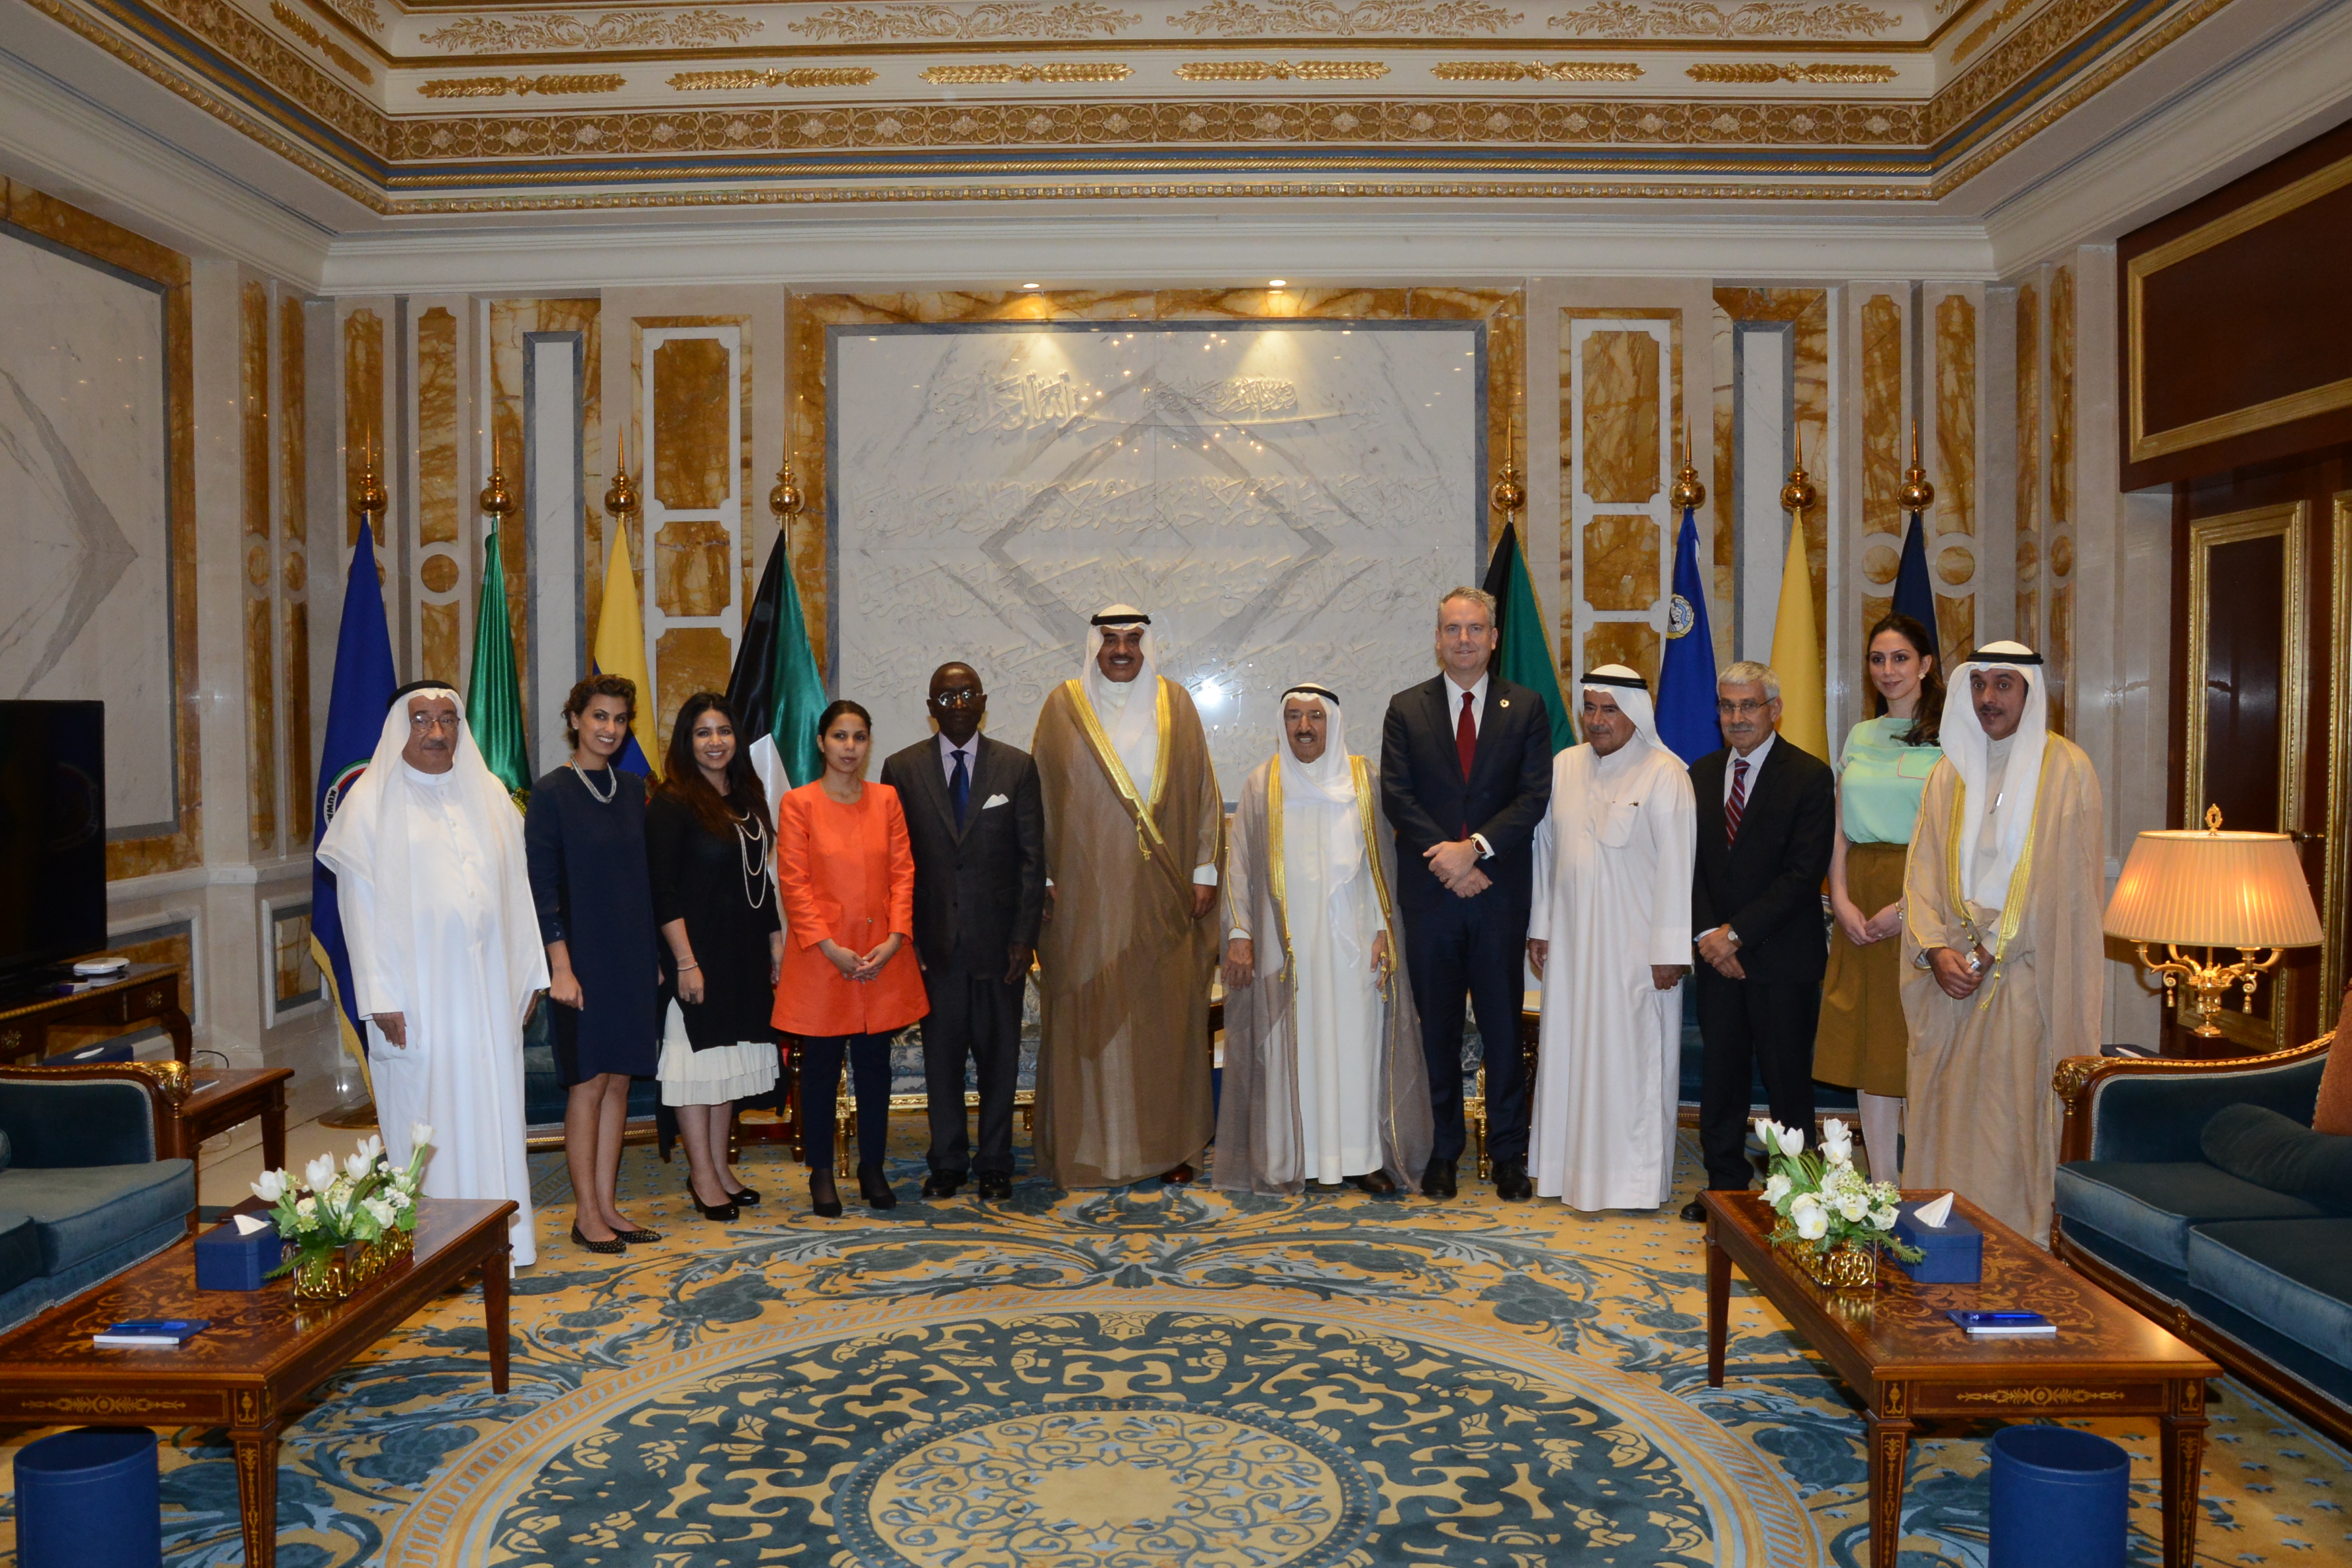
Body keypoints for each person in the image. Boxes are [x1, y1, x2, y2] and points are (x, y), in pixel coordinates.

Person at [316, 681, 546, 1267]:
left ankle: (503, 1240)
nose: (437, 732)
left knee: (494, 1110)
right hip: (416, 997)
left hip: (489, 993)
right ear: (401, 727)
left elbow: (518, 891)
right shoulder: (370, 804)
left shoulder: (489, 794)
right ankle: (434, 1250)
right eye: (422, 720)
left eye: (448, 719)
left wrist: (529, 973)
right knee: (428, 1117)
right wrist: (379, 995)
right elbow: (357, 911)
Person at [1901, 642, 2103, 1243]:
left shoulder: (2066, 771)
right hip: (1949, 980)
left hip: (2022, 979)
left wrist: (1992, 947)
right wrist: (1934, 950)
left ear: (2030, 693)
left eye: (2003, 685)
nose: (1988, 698)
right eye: (1979, 685)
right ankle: (1938, 1240)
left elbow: (2063, 882)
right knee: (1945, 1116)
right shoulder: (1950, 771)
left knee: (2006, 1120)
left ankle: (2013, 1244)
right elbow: (1921, 871)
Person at [1030, 606, 1224, 1188]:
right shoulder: (1063, 707)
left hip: (1164, 893)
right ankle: (1092, 1149)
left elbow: (1203, 789)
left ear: (1147, 646)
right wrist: (1042, 877)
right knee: (1091, 1016)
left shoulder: (1176, 704)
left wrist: (1206, 869)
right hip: (1084, 898)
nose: (1120, 650)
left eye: (1132, 640)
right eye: (1110, 640)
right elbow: (1040, 796)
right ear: (1094, 646)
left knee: (1164, 1020)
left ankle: (1170, 1148)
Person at [1218, 685, 1433, 1197]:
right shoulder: (1263, 783)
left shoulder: (1362, 779)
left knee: (1357, 1047)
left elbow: (1384, 862)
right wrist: (1240, 933)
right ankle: (1294, 1156)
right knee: (1291, 1049)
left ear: (1332, 723)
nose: (1304, 727)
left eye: (1315, 716)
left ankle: (1360, 1158)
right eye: (1293, 716)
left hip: (1353, 943)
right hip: (1286, 945)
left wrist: (1383, 929)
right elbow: (1239, 865)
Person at [1379, 587, 1554, 1201]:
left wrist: (1474, 849)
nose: (1464, 640)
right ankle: (1442, 1152)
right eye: (1452, 629)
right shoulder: (1406, 708)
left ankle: (1508, 1154)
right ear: (1437, 638)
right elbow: (1397, 795)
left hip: (1498, 895)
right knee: (1438, 1029)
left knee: (1504, 1028)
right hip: (1431, 898)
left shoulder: (1526, 707)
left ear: (1494, 638)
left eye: (1475, 629)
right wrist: (1450, 861)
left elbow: (1533, 796)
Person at [1526, 668, 1695, 1211]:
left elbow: (1679, 867)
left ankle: (1631, 1183)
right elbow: (1546, 852)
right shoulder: (1565, 766)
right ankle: (1565, 1173)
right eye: (1591, 708)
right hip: (1571, 948)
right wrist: (1541, 926)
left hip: (1635, 953)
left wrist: (1670, 951)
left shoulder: (1665, 774)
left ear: (1634, 713)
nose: (1597, 720)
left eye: (1610, 709)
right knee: (1570, 1057)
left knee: (1630, 1064)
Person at [879, 661, 1047, 1203]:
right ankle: (948, 1162)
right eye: (946, 697)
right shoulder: (901, 769)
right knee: (942, 1061)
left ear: (983, 702)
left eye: (967, 693)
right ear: (931, 709)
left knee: (1000, 1061)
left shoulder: (1016, 767)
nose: (958, 704)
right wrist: (905, 937)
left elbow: (1032, 860)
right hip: (933, 947)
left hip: (1000, 946)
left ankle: (995, 1163)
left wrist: (1024, 938)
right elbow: (895, 863)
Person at [1681, 661, 1836, 1222]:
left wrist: (1736, 935)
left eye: (1748, 705)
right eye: (1727, 706)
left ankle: (1797, 1195)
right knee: (1721, 1078)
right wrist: (1710, 936)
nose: (1737, 717)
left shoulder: (1810, 776)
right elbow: (1690, 866)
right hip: (1716, 959)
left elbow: (1802, 875)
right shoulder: (1700, 774)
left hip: (1781, 959)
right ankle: (1724, 1189)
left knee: (1787, 1081)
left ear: (1775, 710)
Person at [525, 675, 663, 1254]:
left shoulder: (632, 789)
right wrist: (560, 966)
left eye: (620, 719)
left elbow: (645, 881)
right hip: (579, 963)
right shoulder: (551, 793)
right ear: (575, 720)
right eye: (599, 717)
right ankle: (585, 1215)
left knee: (619, 1082)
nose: (610, 728)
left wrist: (654, 957)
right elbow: (542, 889)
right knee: (588, 1084)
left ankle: (607, 1205)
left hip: (631, 958)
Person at [773, 699, 927, 1217]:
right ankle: (821, 1171)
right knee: (820, 1069)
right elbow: (794, 884)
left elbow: (904, 872)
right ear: (821, 742)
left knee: (875, 1067)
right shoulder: (799, 803)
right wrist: (829, 947)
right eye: (840, 736)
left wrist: (897, 936)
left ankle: (872, 1167)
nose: (850, 747)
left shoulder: (886, 799)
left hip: (881, 957)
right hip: (822, 959)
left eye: (859, 737)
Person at [1816, 615, 1944, 1181]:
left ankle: (1924, 1179)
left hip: (1922, 889)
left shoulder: (1952, 736)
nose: (1888, 670)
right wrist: (1840, 899)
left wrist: (1911, 906)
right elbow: (1839, 827)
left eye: (1900, 658)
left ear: (1926, 665)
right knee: (1869, 1043)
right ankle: (1882, 1183)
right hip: (1859, 892)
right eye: (1877, 659)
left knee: (1911, 1039)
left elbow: (1953, 838)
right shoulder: (1860, 735)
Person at [647, 693, 783, 1223]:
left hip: (743, 953)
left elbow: (760, 881)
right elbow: (662, 891)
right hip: (696, 954)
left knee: (727, 1065)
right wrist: (685, 961)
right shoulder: (672, 802)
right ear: (687, 740)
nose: (715, 741)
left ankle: (721, 1169)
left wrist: (775, 944)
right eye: (703, 732)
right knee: (696, 1065)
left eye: (723, 730)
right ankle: (702, 1175)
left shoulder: (748, 796)